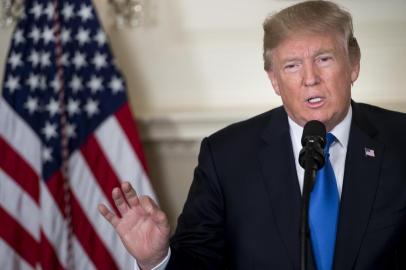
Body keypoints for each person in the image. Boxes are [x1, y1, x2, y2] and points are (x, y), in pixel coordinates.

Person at [98, 1, 406, 269]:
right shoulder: (226, 156)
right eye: (292, 65)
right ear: (273, 79)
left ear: (353, 64)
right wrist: (157, 259)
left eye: (324, 59)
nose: (310, 79)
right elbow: (198, 261)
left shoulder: (400, 140)